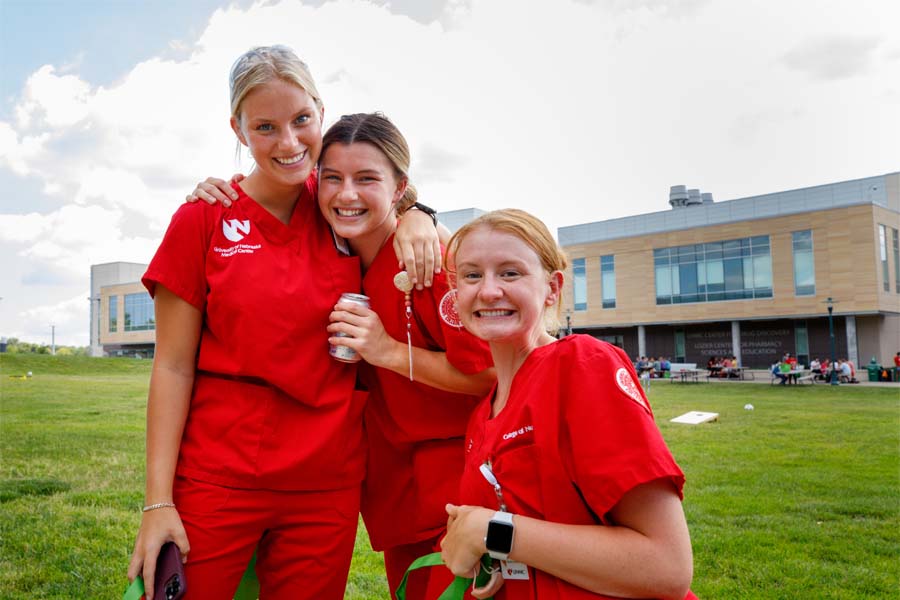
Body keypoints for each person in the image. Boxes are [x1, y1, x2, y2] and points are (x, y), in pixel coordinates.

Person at [126, 47, 440, 600]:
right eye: (265, 127)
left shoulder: (338, 211)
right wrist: (158, 502)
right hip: (219, 475)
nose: (289, 143)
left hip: (326, 483)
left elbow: (384, 193)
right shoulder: (204, 218)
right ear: (238, 130)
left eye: (301, 121)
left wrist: (419, 213)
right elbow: (172, 366)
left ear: (320, 111)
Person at [439, 209, 696, 600]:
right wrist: (480, 552)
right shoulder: (482, 414)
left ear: (552, 288)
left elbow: (667, 566)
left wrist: (491, 531)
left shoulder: (582, 365)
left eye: (510, 273)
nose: (488, 290)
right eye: (472, 275)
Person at [319, 113, 496, 599]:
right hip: (392, 484)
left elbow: (490, 374)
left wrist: (388, 351)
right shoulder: (332, 249)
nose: (346, 194)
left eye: (367, 179)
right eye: (332, 178)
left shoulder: (427, 259)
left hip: (451, 486)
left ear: (401, 188)